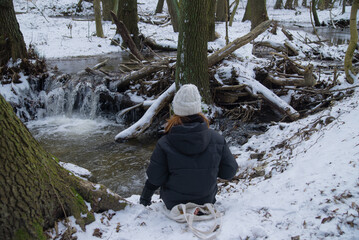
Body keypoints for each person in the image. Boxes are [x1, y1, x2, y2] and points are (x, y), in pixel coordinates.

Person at [139, 84, 238, 210]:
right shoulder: (217, 139)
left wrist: (145, 199)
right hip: (206, 201)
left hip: (173, 204)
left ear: (176, 110)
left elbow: (155, 178)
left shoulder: (165, 143)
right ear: (198, 109)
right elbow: (229, 172)